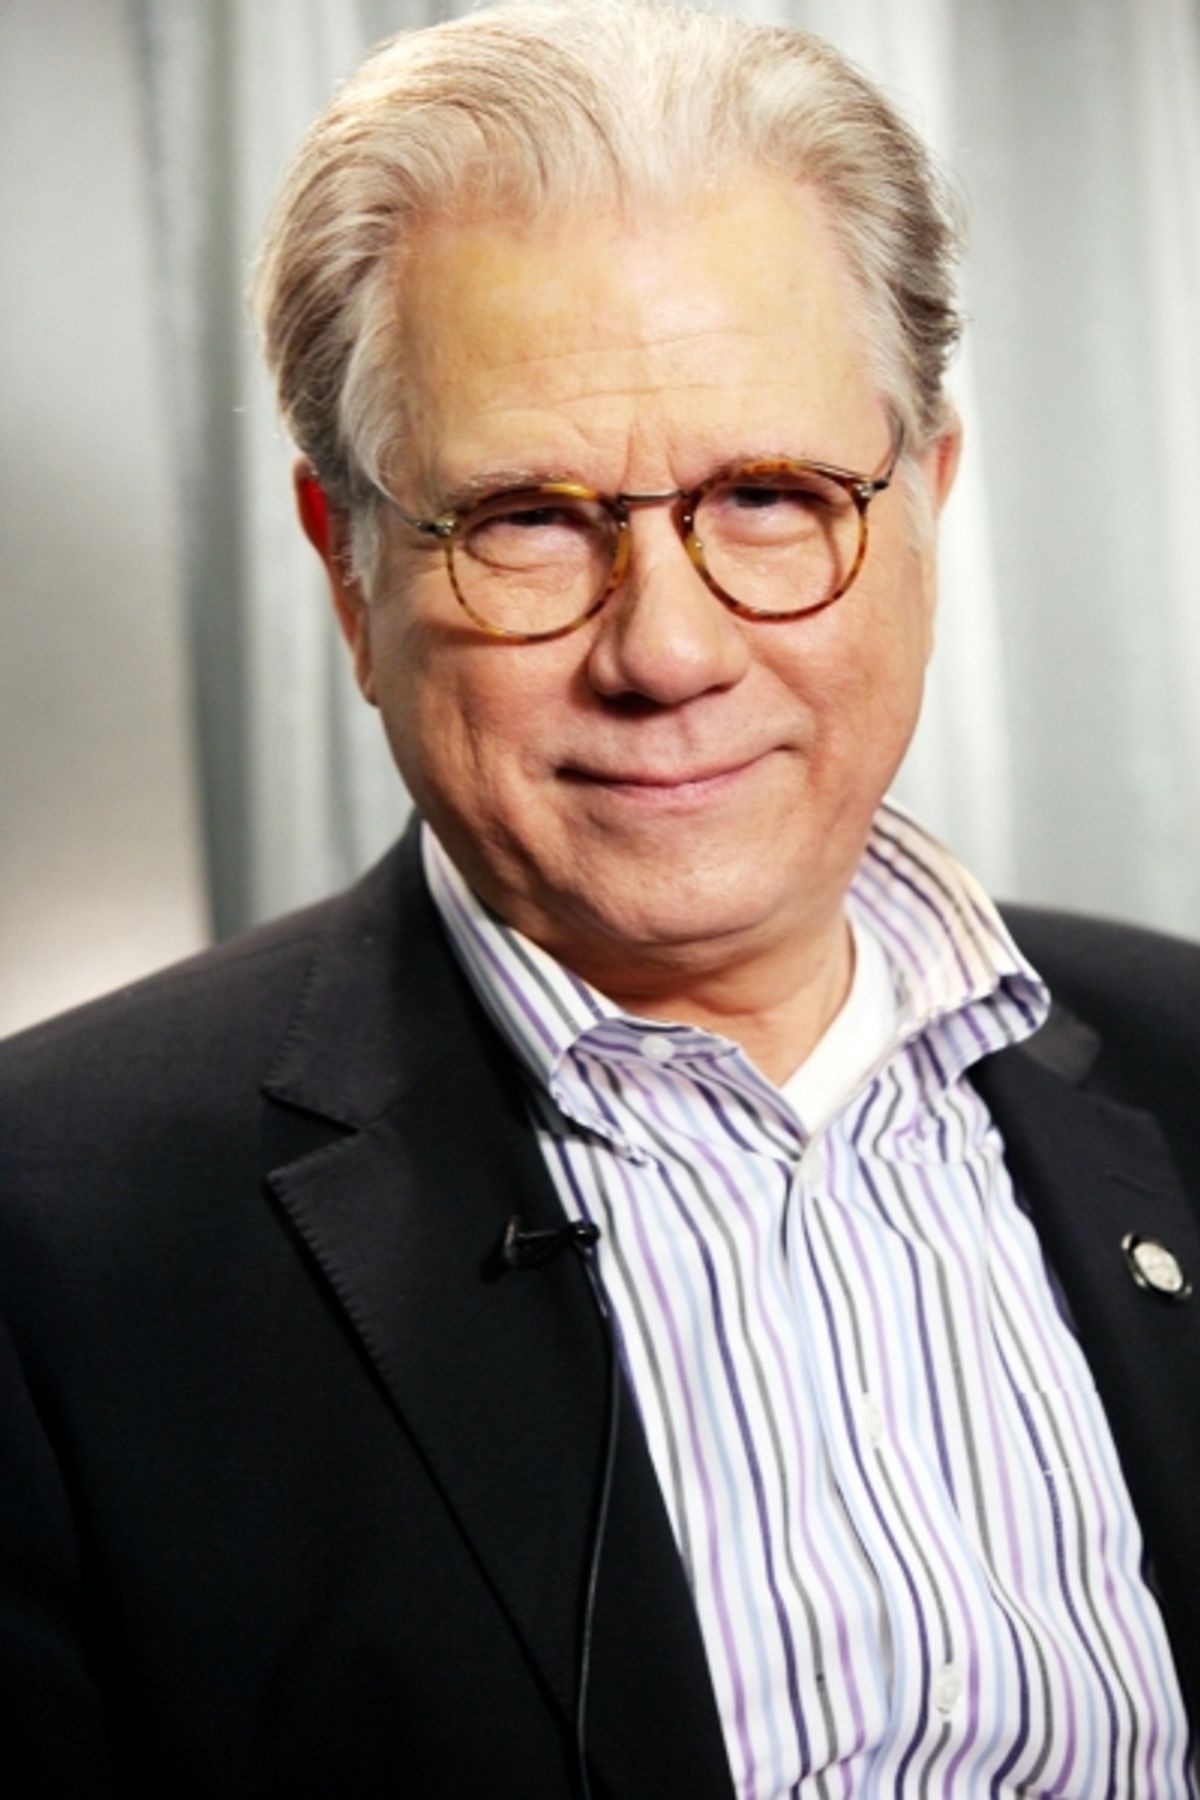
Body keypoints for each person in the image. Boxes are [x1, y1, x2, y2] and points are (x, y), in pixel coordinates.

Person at [2, 2, 1198, 1794]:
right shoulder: (48, 1240)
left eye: (775, 496)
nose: (669, 647)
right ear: (349, 576)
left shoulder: (1190, 1053)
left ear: (930, 509)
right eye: (526, 520)